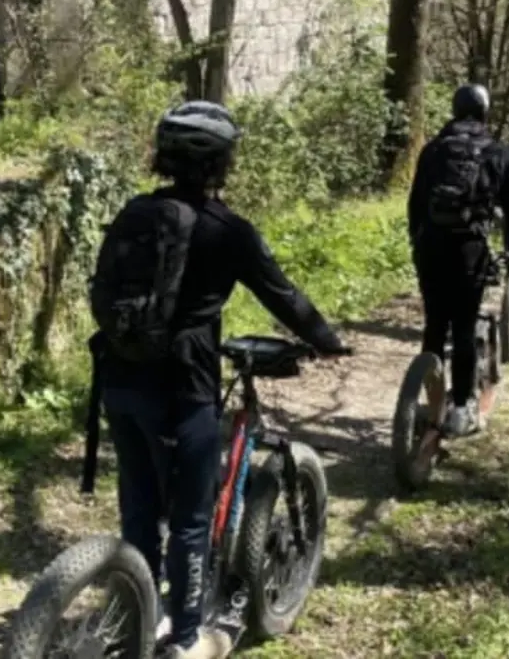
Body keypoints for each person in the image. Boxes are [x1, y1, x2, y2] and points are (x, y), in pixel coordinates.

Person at [87, 100, 351, 659]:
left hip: (118, 380)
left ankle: (140, 618)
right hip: (183, 389)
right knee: (189, 519)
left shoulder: (135, 212)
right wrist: (328, 341)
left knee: (138, 509)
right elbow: (284, 297)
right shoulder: (227, 230)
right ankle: (182, 641)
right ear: (221, 163)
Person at [407, 84, 509, 438]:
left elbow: (415, 204)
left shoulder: (432, 150)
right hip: (469, 250)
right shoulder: (498, 152)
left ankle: (429, 405)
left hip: (430, 247)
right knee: (463, 328)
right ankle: (461, 409)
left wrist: (418, 242)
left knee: (434, 325)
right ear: (484, 112)